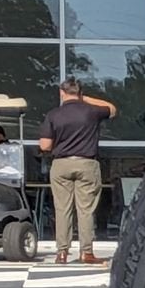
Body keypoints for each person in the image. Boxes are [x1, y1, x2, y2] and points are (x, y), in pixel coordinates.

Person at [38, 80, 116, 264]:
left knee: (62, 209)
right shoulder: (91, 111)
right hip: (87, 163)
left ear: (61, 93)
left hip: (61, 164)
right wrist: (86, 99)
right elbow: (111, 109)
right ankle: (86, 252)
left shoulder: (53, 114)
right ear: (80, 92)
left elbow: (45, 145)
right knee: (86, 210)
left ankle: (62, 253)